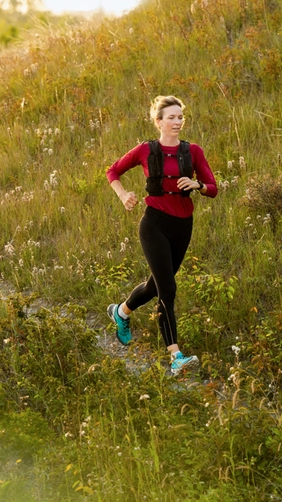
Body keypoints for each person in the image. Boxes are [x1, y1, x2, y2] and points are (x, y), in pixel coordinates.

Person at [105, 95, 217, 375]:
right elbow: (113, 171)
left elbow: (213, 187)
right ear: (158, 122)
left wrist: (197, 183)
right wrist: (123, 195)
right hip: (154, 223)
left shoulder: (194, 151)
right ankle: (176, 357)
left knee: (155, 286)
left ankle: (121, 312)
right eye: (172, 117)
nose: (178, 122)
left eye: (181, 117)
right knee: (168, 290)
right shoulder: (145, 150)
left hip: (183, 225)